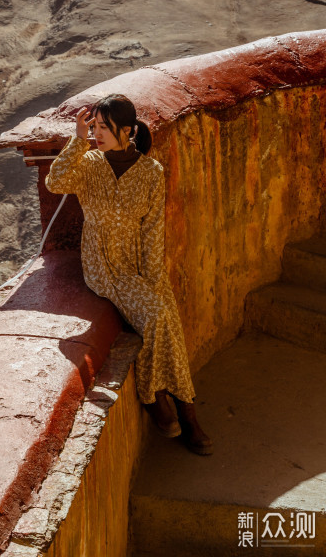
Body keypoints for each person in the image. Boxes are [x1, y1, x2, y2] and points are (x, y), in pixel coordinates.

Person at [45, 93, 213, 455]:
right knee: (155, 317)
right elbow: (55, 183)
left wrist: (153, 281)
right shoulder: (89, 163)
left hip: (138, 266)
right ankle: (155, 401)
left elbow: (153, 230)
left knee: (167, 315)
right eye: (96, 127)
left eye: (104, 128)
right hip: (103, 266)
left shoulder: (152, 173)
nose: (97, 134)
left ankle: (185, 407)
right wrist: (77, 137)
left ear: (127, 130)